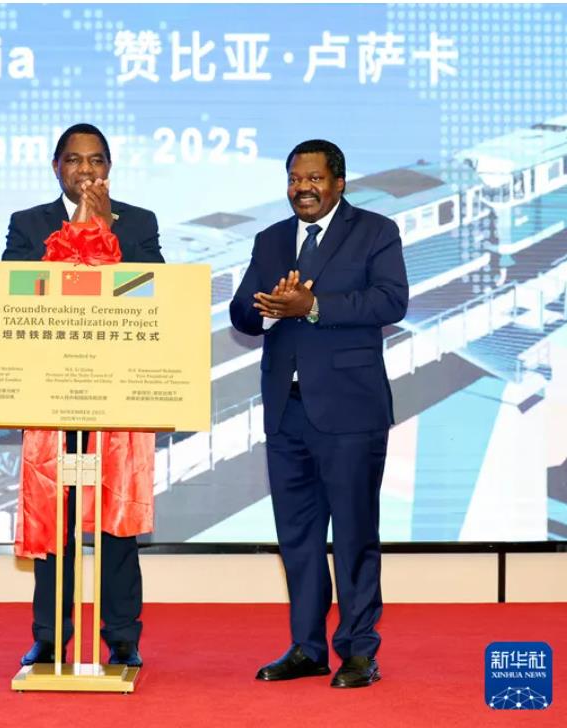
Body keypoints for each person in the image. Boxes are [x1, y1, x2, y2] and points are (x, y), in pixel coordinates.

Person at [229, 139, 408, 688]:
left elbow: (391, 301)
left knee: (354, 535)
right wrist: (266, 307)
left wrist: (313, 306)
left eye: (313, 178)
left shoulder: (376, 231)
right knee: (298, 538)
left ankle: (359, 650)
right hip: (287, 413)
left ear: (339, 182)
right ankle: (307, 648)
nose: (302, 188)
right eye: (294, 179)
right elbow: (242, 314)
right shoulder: (270, 239)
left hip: (351, 410)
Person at [1, 123, 164, 668]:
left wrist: (105, 228)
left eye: (96, 161)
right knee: (55, 517)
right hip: (52, 394)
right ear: (57, 168)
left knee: (116, 520)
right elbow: (11, 290)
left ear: (109, 168)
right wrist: (75, 235)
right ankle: (51, 635)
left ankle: (122, 636)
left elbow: (155, 292)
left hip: (116, 396)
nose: (86, 170)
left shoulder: (139, 222)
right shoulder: (28, 224)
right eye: (74, 160)